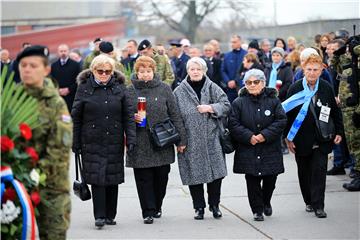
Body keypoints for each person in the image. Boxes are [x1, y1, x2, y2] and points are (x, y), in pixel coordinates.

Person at [71, 54, 136, 228]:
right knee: (98, 179)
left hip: (114, 138)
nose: (104, 74)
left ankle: (110, 215)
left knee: (112, 178)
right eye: (100, 71)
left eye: (108, 71)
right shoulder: (84, 88)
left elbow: (128, 115)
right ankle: (99, 216)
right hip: (91, 139)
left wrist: (131, 139)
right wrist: (75, 141)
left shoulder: (120, 87)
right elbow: (76, 116)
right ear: (93, 71)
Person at [17, 45, 72, 239]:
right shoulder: (12, 99)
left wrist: (32, 176)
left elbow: (59, 150)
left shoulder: (55, 104)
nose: (27, 69)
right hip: (15, 187)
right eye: (23, 65)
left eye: (33, 65)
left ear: (46, 69)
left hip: (51, 188)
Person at [126, 56, 187, 224]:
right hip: (140, 140)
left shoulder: (165, 88)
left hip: (163, 139)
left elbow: (175, 114)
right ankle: (147, 211)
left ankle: (157, 205)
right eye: (142, 71)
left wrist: (181, 140)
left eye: (148, 71)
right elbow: (122, 116)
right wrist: (133, 118)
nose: (145, 74)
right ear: (136, 73)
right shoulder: (130, 91)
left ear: (154, 71)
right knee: (143, 178)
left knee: (161, 177)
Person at [283, 54, 343, 218]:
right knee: (304, 172)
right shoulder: (295, 88)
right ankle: (308, 200)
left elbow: (334, 111)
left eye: (315, 70)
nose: (312, 73)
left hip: (322, 137)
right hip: (300, 138)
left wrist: (339, 131)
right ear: (303, 69)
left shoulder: (326, 87)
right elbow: (286, 114)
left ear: (321, 70)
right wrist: (287, 137)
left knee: (319, 171)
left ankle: (319, 205)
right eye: (309, 69)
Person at [174, 57, 231, 220]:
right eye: (192, 69)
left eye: (198, 69)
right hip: (190, 140)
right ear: (187, 71)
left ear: (204, 71)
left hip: (212, 138)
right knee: (194, 175)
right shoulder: (179, 91)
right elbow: (175, 116)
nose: (195, 72)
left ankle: (215, 205)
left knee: (216, 175)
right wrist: (180, 141)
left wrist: (211, 107)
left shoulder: (213, 87)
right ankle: (199, 207)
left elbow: (227, 104)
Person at [229, 69, 287, 221]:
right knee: (252, 180)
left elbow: (281, 120)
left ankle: (266, 201)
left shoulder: (274, 101)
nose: (252, 85)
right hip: (248, 148)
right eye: (249, 82)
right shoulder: (238, 102)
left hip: (270, 147)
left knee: (270, 178)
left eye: (256, 82)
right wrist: (249, 137)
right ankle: (257, 210)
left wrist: (264, 136)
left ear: (263, 83)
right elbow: (233, 124)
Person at [51, 44, 81, 111]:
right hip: (59, 97)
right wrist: (58, 90)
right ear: (58, 52)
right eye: (61, 51)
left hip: (72, 97)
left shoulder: (75, 65)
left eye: (65, 51)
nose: (63, 53)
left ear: (68, 52)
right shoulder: (54, 66)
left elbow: (78, 80)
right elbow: (52, 81)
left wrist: (69, 89)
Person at [221, 35, 247, 102]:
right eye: (231, 42)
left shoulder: (246, 54)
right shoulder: (227, 55)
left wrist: (236, 81)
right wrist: (228, 81)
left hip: (243, 87)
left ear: (240, 42)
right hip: (230, 88)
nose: (232, 44)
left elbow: (246, 70)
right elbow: (223, 70)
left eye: (234, 42)